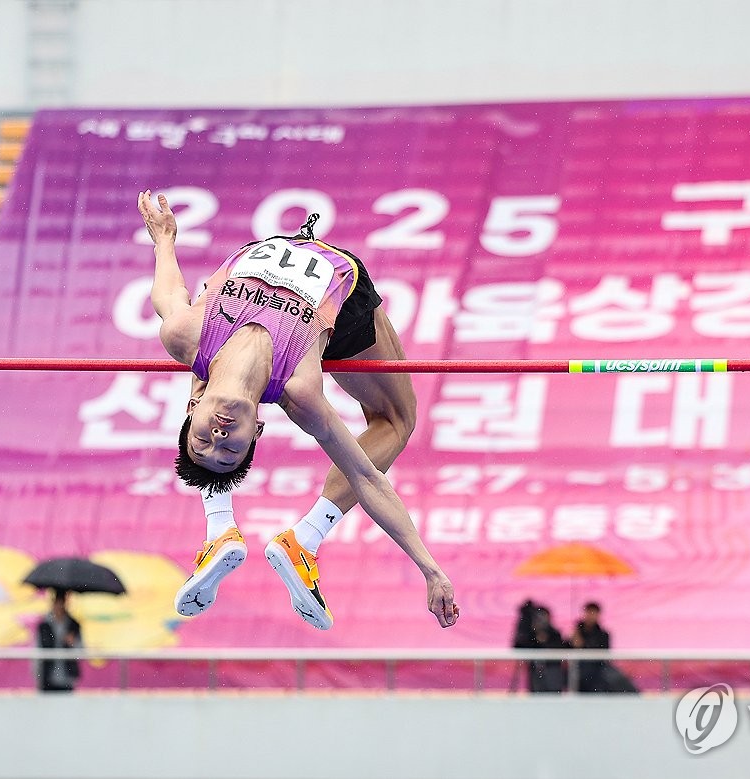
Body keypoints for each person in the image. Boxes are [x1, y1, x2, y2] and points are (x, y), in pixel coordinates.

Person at [138, 191, 458, 632]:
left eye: (203, 439)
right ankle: (304, 539)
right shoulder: (299, 391)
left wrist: (164, 240)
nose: (219, 436)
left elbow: (168, 292)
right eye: (229, 450)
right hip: (339, 294)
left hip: (254, 268)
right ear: (257, 430)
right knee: (396, 421)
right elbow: (366, 477)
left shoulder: (184, 334)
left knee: (203, 357)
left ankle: (219, 528)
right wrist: (431, 569)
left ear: (190, 408)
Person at [570, 602, 637, 693]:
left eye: (593, 613)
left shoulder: (603, 634)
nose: (591, 616)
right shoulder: (577, 631)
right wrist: (577, 630)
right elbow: (575, 646)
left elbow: (604, 653)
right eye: (589, 612)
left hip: (599, 668)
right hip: (582, 669)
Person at [513, 600, 568, 693]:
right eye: (538, 617)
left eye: (543, 617)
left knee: (553, 697)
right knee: (537, 696)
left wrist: (546, 642)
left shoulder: (554, 634)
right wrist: (533, 635)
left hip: (553, 673)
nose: (541, 620)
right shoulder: (530, 635)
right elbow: (518, 646)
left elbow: (561, 650)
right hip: (536, 673)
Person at [36, 590, 83, 693]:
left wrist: (73, 643)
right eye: (57, 603)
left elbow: (81, 651)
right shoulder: (44, 625)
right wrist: (37, 676)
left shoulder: (73, 625)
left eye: (62, 603)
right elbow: (37, 651)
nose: (59, 607)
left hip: (67, 677)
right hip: (47, 676)